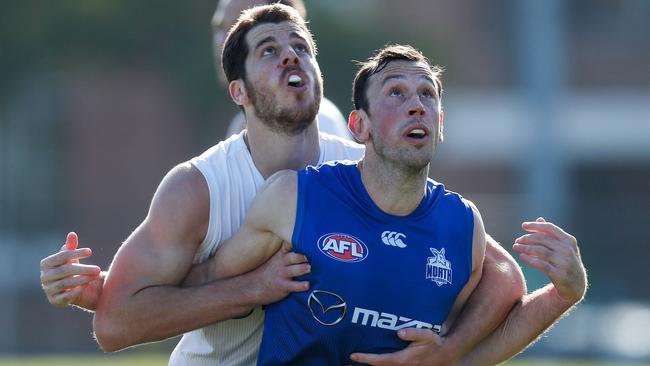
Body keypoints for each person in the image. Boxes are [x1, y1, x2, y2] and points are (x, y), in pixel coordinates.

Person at [38, 4, 585, 366]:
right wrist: (250, 288)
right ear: (238, 91)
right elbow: (120, 321)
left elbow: (497, 273)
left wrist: (449, 348)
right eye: (267, 50)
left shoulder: (363, 167)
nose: (290, 57)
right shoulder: (200, 185)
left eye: (298, 45)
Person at [200, 43, 486, 364]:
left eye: (427, 94)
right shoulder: (293, 198)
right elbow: (213, 280)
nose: (417, 106)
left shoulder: (464, 226)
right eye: (396, 93)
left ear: (440, 125)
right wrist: (255, 287)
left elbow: (498, 300)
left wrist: (557, 293)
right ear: (359, 126)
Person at [212, 0, 352, 139]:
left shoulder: (320, 122)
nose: (222, 42)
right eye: (220, 27)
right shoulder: (238, 126)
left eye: (239, 28)